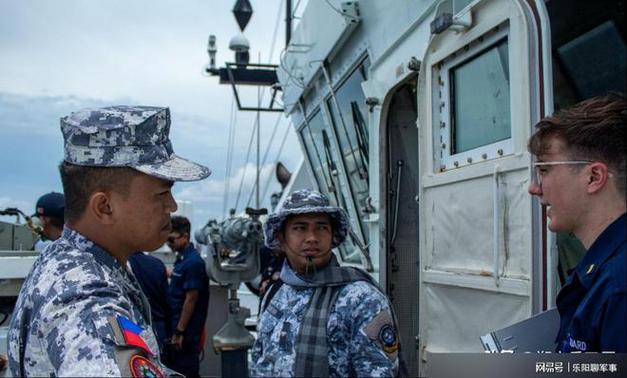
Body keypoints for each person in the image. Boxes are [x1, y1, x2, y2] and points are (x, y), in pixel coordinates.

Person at [7, 106, 211, 377]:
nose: (172, 206)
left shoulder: (79, 260)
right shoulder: (86, 302)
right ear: (104, 207)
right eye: (161, 193)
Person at [250, 189, 404, 377]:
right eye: (300, 228)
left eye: (322, 227)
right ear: (282, 239)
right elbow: (259, 359)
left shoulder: (362, 299)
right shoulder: (275, 292)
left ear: (332, 237)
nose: (312, 237)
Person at [527, 94, 626, 352]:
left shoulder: (618, 288)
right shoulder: (604, 272)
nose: (534, 188)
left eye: (545, 170)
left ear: (594, 177)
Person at [166, 215, 210, 378]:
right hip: (178, 330)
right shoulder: (183, 260)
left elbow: (191, 299)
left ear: (185, 236)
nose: (168, 244)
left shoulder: (193, 263)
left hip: (186, 336)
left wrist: (179, 332)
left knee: (186, 372)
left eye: (171, 240)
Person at [128, 251, 172, 359]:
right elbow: (167, 302)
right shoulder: (157, 264)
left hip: (133, 327)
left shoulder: (124, 264)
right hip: (158, 326)